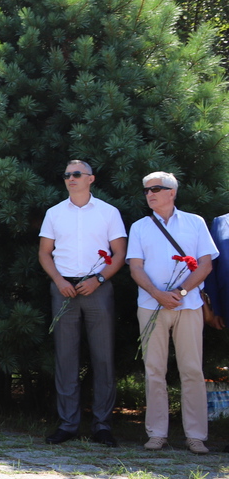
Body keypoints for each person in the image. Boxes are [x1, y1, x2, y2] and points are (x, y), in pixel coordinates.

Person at [38, 160, 127, 447]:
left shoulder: (108, 212)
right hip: (63, 289)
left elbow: (120, 253)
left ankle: (102, 426)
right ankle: (68, 424)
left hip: (97, 288)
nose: (71, 178)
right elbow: (44, 253)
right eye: (66, 175)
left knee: (103, 357)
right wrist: (59, 281)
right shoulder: (54, 213)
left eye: (76, 174)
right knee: (65, 358)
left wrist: (98, 280)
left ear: (91, 179)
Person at [127, 171, 217, 454]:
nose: (149, 194)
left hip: (188, 306)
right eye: (146, 190)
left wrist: (180, 293)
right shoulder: (140, 227)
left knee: (192, 369)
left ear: (172, 192)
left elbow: (205, 265)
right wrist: (158, 294)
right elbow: (135, 267)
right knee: (154, 369)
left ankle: (196, 436)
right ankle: (157, 434)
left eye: (155, 189)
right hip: (150, 305)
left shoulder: (195, 222)